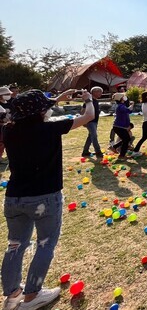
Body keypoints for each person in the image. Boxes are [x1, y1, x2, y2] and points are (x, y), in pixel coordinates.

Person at [1, 89, 95, 310]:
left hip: (14, 198)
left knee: (15, 245)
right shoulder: (50, 128)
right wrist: (88, 98)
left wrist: (59, 97)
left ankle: (12, 293)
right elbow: (89, 115)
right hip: (44, 197)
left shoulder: (9, 130)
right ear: (41, 111)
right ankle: (32, 296)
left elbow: (37, 110)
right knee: (45, 244)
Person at [80, 86, 104, 159]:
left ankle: (85, 151)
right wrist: (83, 121)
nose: (101, 93)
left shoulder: (96, 101)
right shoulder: (89, 100)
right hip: (90, 122)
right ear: (94, 92)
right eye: (99, 92)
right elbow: (83, 111)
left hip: (95, 121)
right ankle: (98, 152)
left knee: (90, 136)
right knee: (94, 136)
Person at [111, 92, 135, 161]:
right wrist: (132, 105)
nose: (125, 97)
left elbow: (129, 111)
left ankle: (114, 147)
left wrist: (131, 105)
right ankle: (121, 155)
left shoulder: (121, 105)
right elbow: (128, 110)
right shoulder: (121, 106)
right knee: (126, 139)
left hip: (119, 127)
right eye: (123, 96)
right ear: (121, 99)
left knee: (126, 139)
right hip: (119, 127)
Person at [0, 87, 13, 165]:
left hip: (3, 127)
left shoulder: (8, 103)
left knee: (2, 143)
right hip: (1, 126)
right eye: (7, 94)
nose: (9, 95)